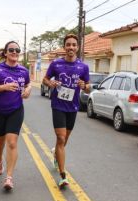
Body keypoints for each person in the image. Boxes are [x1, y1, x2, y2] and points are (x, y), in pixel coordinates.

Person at [42, 34, 90, 188]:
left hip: (73, 107)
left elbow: (88, 87)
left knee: (64, 139)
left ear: (77, 47)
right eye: (68, 44)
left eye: (73, 45)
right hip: (58, 105)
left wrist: (84, 86)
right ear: (64, 47)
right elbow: (45, 79)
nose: (71, 47)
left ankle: (56, 153)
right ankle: (63, 175)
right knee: (61, 138)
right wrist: (51, 83)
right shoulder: (56, 64)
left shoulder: (83, 67)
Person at [0, 41, 31, 190]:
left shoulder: (24, 70)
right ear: (5, 52)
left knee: (12, 142)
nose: (15, 52)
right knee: (0, 140)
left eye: (17, 50)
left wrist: (28, 90)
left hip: (16, 110)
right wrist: (4, 87)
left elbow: (28, 84)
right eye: (11, 50)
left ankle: (9, 178)